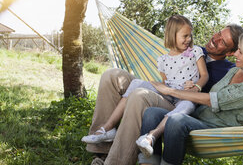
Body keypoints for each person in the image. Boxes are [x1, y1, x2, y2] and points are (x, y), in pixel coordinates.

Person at [85, 23, 243, 165]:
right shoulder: (193, 50)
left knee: (140, 96)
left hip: (181, 104)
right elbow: (172, 43)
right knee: (112, 76)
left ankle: (116, 161)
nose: (215, 39)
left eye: (223, 42)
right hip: (164, 90)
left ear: (231, 51)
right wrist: (162, 83)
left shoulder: (229, 68)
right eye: (219, 33)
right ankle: (101, 147)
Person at [140, 32, 243, 165]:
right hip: (198, 117)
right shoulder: (236, 71)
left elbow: (213, 100)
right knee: (151, 113)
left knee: (177, 121)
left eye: (240, 51)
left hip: (215, 128)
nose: (235, 54)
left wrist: (171, 91)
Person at [81, 15, 209, 146]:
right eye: (185, 36)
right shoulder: (163, 60)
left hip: (187, 97)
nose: (189, 39)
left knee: (187, 106)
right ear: (172, 35)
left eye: (190, 36)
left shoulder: (195, 51)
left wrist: (196, 87)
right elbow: (165, 83)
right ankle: (108, 127)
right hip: (169, 96)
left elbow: (204, 75)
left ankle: (152, 136)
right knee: (136, 83)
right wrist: (158, 87)